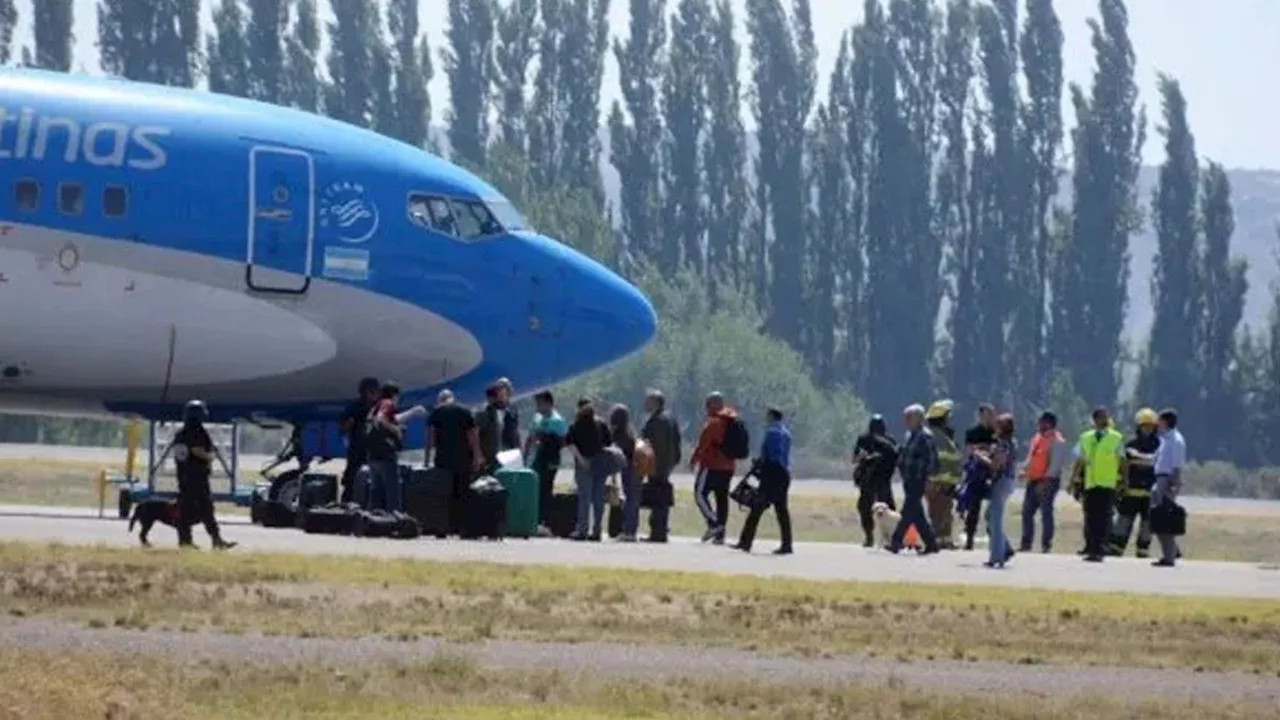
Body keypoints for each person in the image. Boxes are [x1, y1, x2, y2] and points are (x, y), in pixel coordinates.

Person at [172, 399, 234, 550]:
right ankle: (216, 539)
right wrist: (209, 457)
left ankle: (185, 541)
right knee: (206, 509)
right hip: (197, 478)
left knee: (185, 510)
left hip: (184, 478)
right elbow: (196, 450)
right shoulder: (196, 431)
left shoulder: (181, 433)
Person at [732, 407, 794, 555]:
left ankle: (745, 543)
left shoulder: (772, 432)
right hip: (784, 474)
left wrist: (760, 464)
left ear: (772, 417)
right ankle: (787, 544)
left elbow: (772, 454)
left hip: (772, 473)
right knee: (782, 510)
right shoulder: (787, 433)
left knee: (757, 508)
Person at [1071, 406, 1126, 562]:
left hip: (1107, 484)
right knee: (1090, 518)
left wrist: (1124, 481)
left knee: (1105, 517)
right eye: (1100, 417)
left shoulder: (1116, 437)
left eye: (1105, 417)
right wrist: (1073, 480)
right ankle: (1091, 547)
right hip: (1091, 484)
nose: (1104, 420)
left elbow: (1122, 461)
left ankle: (1101, 548)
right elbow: (1080, 460)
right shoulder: (1085, 437)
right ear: (1094, 420)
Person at [365, 381, 426, 513]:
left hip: (373, 455)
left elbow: (393, 418)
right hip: (385, 454)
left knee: (376, 490)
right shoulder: (387, 403)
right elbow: (381, 419)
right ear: (394, 395)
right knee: (392, 489)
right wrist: (395, 430)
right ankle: (395, 519)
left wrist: (412, 412)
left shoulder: (376, 406)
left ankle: (371, 519)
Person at [888, 404, 940, 555]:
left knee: (907, 511)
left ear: (918, 418)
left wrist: (929, 478)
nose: (906, 421)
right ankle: (931, 544)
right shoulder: (910, 436)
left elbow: (933, 460)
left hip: (919, 479)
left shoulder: (926, 436)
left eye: (909, 417)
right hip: (908, 479)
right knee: (917, 515)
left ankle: (895, 541)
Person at [424, 388, 483, 522]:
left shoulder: (436, 413)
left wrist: (427, 461)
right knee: (462, 492)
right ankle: (461, 523)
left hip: (443, 460)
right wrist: (477, 457)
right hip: (463, 459)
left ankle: (445, 524)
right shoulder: (465, 411)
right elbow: (473, 436)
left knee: (444, 493)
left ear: (440, 400)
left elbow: (430, 440)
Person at [690, 392, 741, 545]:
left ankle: (714, 523)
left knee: (700, 495)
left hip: (711, 465)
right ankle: (720, 535)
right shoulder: (733, 420)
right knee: (721, 500)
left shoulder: (714, 422)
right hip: (729, 467)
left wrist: (693, 461)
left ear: (714, 405)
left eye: (708, 404)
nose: (706, 408)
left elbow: (703, 444)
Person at [1108, 408, 1160, 557]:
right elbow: (1123, 464)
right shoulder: (1130, 444)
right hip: (1130, 492)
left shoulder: (1159, 444)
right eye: (1144, 426)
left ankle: (1142, 551)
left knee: (1147, 526)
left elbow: (1153, 461)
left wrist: (1138, 459)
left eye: (1150, 426)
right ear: (1139, 427)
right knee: (1123, 524)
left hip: (1150, 495)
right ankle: (1116, 549)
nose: (1147, 429)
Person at [1019, 411, 1068, 554]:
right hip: (1033, 480)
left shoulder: (1057, 440)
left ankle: (1046, 544)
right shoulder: (1037, 438)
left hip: (1048, 482)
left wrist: (1045, 482)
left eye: (1040, 421)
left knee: (1046, 512)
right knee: (1027, 512)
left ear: (1048, 423)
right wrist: (1024, 471)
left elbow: (1055, 465)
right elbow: (1032, 457)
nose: (1038, 424)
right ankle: (1026, 543)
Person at [566, 398, 612, 541]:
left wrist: (582, 460)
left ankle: (582, 530)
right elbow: (608, 443)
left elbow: (571, 444)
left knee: (584, 498)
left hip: (583, 464)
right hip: (600, 463)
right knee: (598, 498)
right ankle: (597, 530)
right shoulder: (601, 423)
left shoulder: (575, 425)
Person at [640, 389, 681, 543]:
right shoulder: (670, 418)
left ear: (655, 402)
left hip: (658, 465)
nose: (645, 404)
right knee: (661, 498)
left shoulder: (658, 421)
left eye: (648, 401)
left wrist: (649, 464)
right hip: (666, 464)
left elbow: (652, 444)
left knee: (658, 499)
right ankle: (660, 530)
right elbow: (677, 441)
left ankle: (658, 532)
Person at [524, 390, 568, 533]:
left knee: (546, 490)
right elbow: (530, 437)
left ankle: (545, 521)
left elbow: (562, 442)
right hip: (536, 459)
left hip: (550, 460)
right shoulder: (537, 417)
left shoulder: (557, 421)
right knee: (535, 489)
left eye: (540, 404)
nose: (537, 407)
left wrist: (545, 440)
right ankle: (534, 519)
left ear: (548, 404)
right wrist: (525, 455)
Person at [853, 415, 898, 548]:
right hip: (868, 479)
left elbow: (895, 460)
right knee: (864, 508)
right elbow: (855, 459)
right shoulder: (864, 440)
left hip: (883, 480)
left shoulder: (889, 441)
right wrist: (865, 458)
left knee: (889, 511)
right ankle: (869, 536)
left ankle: (890, 537)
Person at [959, 403, 998, 551]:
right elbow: (969, 452)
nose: (990, 418)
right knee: (973, 508)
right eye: (987, 414)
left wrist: (981, 449)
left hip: (993, 474)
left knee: (994, 509)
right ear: (980, 415)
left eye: (992, 414)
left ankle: (994, 539)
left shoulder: (996, 433)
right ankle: (969, 538)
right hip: (976, 474)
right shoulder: (972, 432)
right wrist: (985, 450)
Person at [1151, 408, 1187, 568]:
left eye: (1159, 420)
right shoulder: (1164, 439)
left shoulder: (1176, 440)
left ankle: (1169, 555)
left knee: (1165, 518)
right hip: (1159, 479)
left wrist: (1174, 485)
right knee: (1158, 518)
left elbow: (1177, 466)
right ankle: (1171, 551)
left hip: (1167, 480)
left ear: (1165, 421)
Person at [924, 400, 961, 549]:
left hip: (945, 484)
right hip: (938, 483)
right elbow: (935, 461)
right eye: (947, 417)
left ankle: (945, 541)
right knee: (938, 514)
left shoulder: (943, 437)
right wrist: (933, 482)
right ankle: (937, 542)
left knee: (944, 514)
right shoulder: (935, 437)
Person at [338, 377, 380, 504]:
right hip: (357, 449)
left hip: (374, 450)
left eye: (376, 392)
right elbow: (342, 428)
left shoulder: (379, 408)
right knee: (352, 479)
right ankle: (346, 504)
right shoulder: (355, 407)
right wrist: (348, 424)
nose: (374, 395)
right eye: (371, 392)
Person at [985, 413, 1018, 568]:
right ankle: (1006, 548)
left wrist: (981, 457)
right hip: (1009, 481)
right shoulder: (1011, 442)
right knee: (989, 515)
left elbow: (997, 463)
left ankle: (996, 557)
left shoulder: (1003, 443)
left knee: (995, 520)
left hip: (1001, 481)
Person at [609, 404, 641, 542]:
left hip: (627, 468)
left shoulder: (619, 435)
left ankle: (628, 530)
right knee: (633, 499)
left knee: (629, 499)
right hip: (636, 467)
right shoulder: (630, 431)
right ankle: (631, 530)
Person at [474, 383, 506, 475]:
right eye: (500, 397)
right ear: (491, 399)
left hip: (496, 458)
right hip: (485, 459)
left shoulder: (497, 413)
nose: (503, 399)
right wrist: (478, 455)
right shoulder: (484, 414)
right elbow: (475, 434)